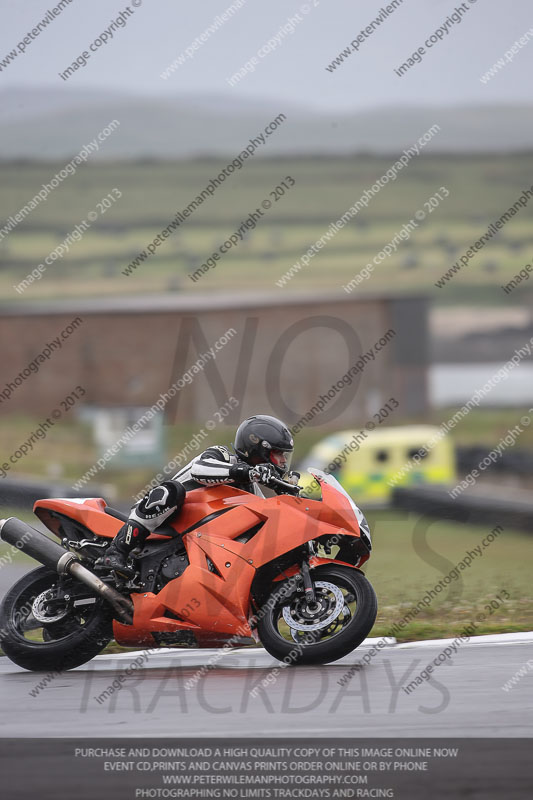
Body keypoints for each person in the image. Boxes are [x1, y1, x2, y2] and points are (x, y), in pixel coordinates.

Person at [99, 414, 298, 573]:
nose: (282, 461)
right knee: (169, 491)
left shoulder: (252, 490)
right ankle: (116, 552)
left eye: (284, 455)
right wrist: (246, 472)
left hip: (191, 539)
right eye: (278, 453)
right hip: (162, 518)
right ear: (258, 448)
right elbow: (199, 470)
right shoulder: (222, 455)